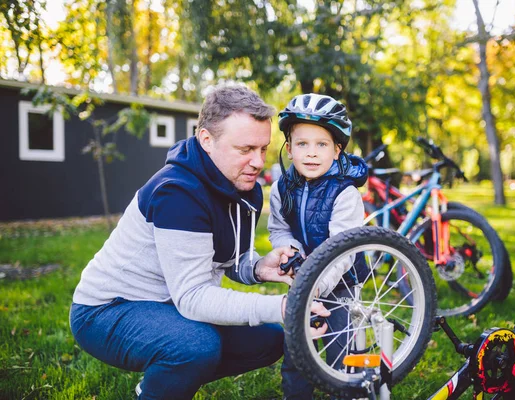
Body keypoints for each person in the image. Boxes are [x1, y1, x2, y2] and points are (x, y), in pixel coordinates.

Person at [69, 84, 328, 400]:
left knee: (271, 339)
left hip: (168, 306)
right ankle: (161, 385)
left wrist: (260, 267)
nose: (258, 162)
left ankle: (167, 378)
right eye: (245, 149)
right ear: (207, 139)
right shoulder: (177, 192)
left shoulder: (240, 184)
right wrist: (283, 306)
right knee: (196, 345)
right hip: (106, 310)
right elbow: (192, 296)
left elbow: (228, 261)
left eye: (263, 149)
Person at [268, 93, 369, 399]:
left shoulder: (345, 194)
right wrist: (291, 253)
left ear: (338, 150)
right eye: (302, 144)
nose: (311, 153)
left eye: (321, 144)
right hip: (302, 282)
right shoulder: (282, 188)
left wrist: (313, 286)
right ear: (289, 148)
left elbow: (343, 251)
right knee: (298, 353)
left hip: (341, 285)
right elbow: (279, 229)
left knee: (344, 357)